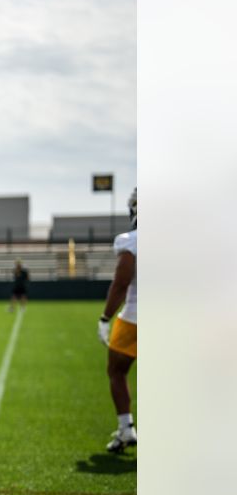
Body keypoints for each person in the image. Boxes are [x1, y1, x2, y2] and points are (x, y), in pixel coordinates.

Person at [99, 187, 138, 453]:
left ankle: (126, 427)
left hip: (135, 318)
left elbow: (121, 283)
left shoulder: (131, 241)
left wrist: (105, 317)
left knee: (116, 370)